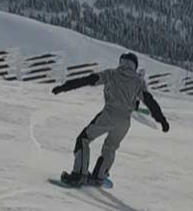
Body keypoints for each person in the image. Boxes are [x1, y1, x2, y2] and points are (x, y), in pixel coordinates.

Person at [52, 52, 169, 186]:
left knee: (83, 139)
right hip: (124, 122)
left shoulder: (111, 74)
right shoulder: (138, 82)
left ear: (121, 61)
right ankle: (99, 176)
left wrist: (64, 87)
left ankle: (79, 175)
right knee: (110, 147)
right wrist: (162, 120)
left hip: (108, 115)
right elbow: (150, 101)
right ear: (135, 66)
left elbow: (88, 80)